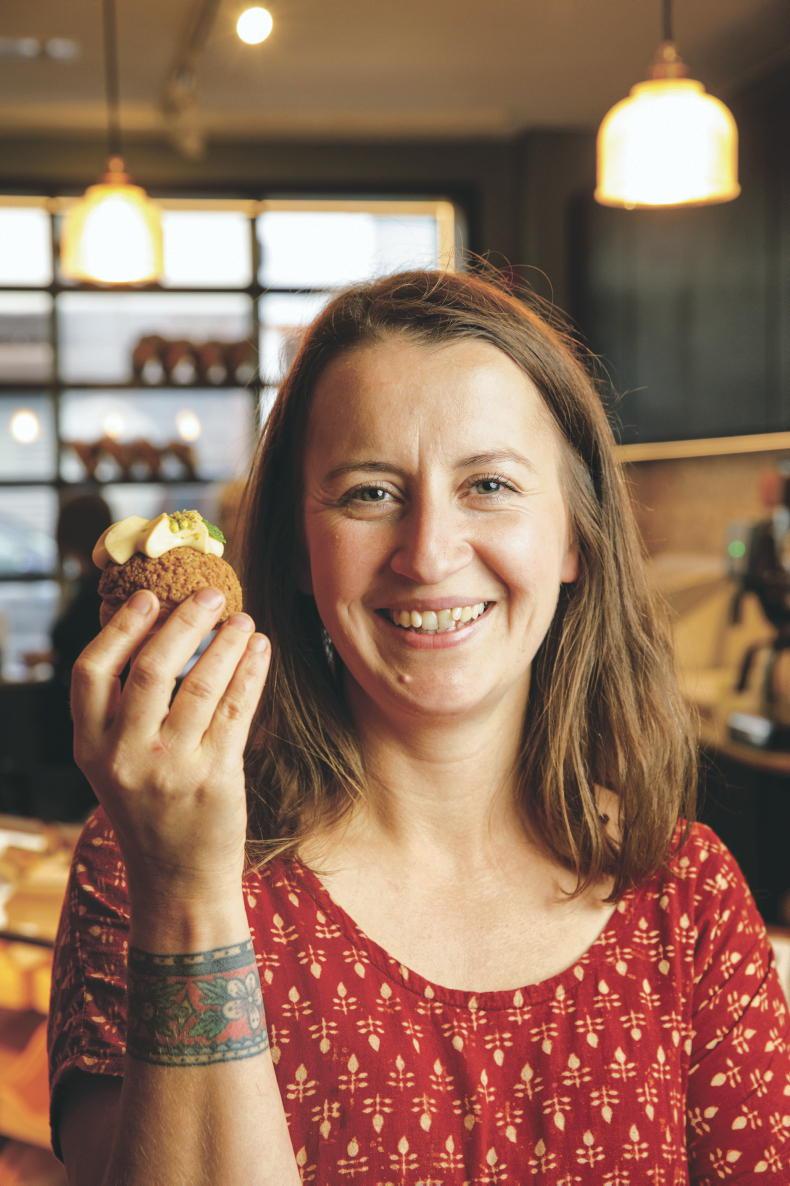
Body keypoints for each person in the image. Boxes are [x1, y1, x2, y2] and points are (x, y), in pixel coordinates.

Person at [47, 269, 788, 1185]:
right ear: (300, 548)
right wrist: (190, 894)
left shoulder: (689, 898)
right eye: (370, 493)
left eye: (490, 484)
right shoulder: (146, 865)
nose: (430, 554)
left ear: (573, 536)